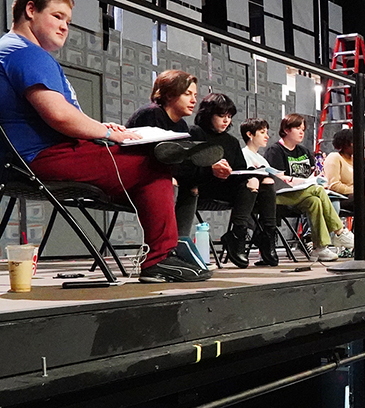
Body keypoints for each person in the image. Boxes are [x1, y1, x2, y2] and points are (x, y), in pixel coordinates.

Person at [0, 0, 212, 283]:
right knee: (154, 163)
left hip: (26, 159)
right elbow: (59, 116)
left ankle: (165, 249)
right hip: (41, 158)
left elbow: (57, 117)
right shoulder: (28, 54)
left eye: (68, 20)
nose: (64, 26)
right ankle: (161, 257)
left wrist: (99, 127)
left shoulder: (10, 49)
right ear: (30, 10)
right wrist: (110, 134)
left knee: (145, 166)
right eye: (57, 16)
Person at [126, 69, 228, 239]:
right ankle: (162, 246)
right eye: (187, 94)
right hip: (134, 178)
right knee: (169, 180)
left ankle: (179, 243)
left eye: (195, 94)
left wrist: (210, 168)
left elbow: (181, 164)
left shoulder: (181, 126)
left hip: (160, 177)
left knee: (191, 187)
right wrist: (207, 168)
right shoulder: (151, 114)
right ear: (169, 95)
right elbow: (157, 160)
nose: (194, 100)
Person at [189, 94, 279, 267]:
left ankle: (267, 235)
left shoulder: (231, 141)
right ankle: (239, 234)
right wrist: (211, 168)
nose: (226, 121)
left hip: (227, 186)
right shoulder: (195, 133)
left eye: (229, 117)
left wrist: (254, 172)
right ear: (209, 115)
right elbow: (187, 165)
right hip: (203, 185)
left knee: (265, 181)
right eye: (221, 116)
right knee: (252, 181)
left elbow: (239, 169)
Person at [264, 113, 355, 262]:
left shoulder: (304, 151)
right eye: (297, 128)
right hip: (281, 195)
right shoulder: (275, 151)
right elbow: (278, 179)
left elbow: (313, 174)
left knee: (315, 201)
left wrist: (319, 176)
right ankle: (340, 231)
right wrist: (303, 182)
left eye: (303, 129)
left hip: (304, 193)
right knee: (317, 191)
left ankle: (321, 247)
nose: (301, 132)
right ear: (286, 130)